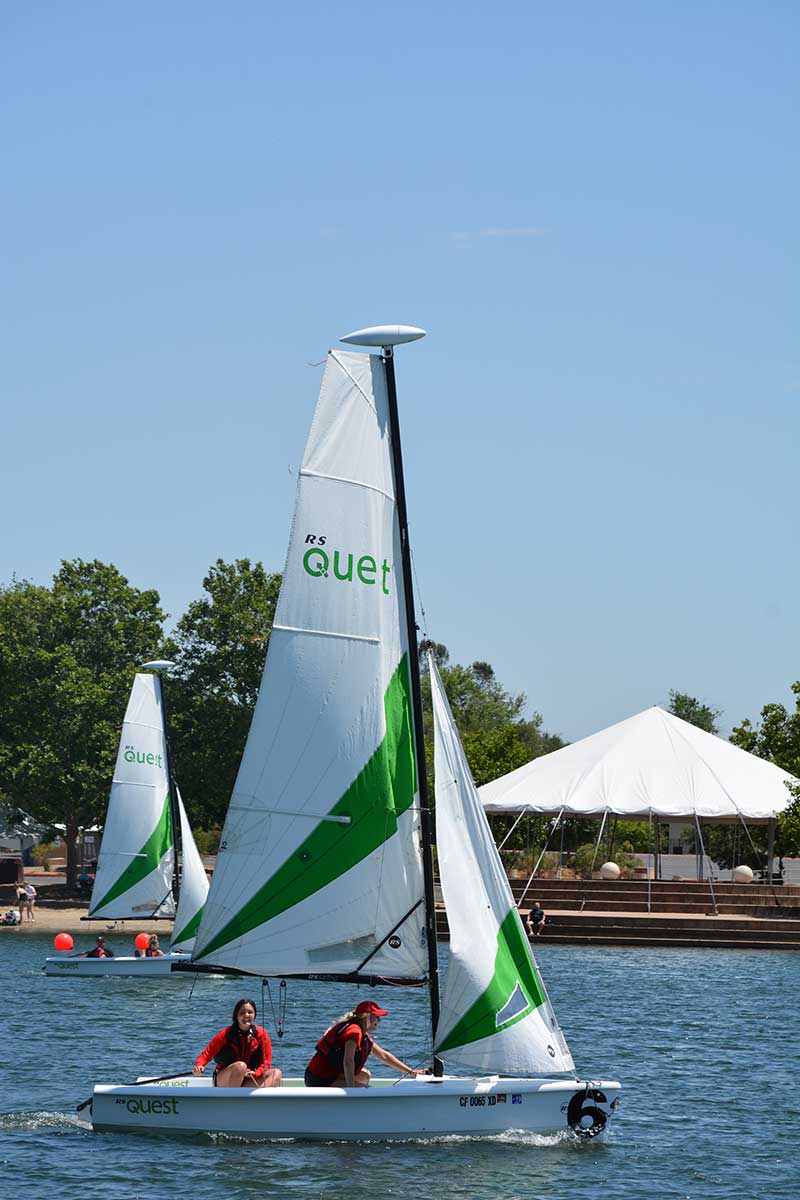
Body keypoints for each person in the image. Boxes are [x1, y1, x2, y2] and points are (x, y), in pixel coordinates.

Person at [305, 1000, 423, 1088]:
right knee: (364, 1089)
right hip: (318, 1078)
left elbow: (383, 1056)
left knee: (365, 1075)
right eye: (377, 1017)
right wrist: (352, 1090)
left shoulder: (362, 1034)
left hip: (329, 1074)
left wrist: (412, 1072)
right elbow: (348, 1061)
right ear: (366, 1017)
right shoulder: (354, 1032)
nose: (379, 1020)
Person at [193, 998, 282, 1089]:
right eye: (242, 1013)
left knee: (276, 1073)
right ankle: (232, 1097)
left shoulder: (261, 1034)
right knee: (240, 1067)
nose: (246, 1015)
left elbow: (266, 1063)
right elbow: (207, 1054)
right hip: (225, 1078)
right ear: (236, 1016)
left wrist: (255, 1073)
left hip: (248, 1078)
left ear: (255, 1015)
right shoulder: (226, 1034)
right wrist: (199, 1065)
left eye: (250, 1012)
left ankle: (257, 1098)